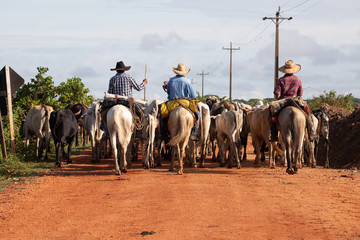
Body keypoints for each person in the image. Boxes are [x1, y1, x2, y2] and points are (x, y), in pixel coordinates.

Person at [270, 60, 316, 141]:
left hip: (283, 100)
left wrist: (277, 93)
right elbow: (300, 93)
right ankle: (311, 133)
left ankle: (274, 135)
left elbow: (276, 92)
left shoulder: (281, 80)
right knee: (307, 112)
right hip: (295, 100)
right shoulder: (298, 79)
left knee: (271, 112)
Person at [162, 63, 200, 141]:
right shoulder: (187, 81)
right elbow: (193, 95)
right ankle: (194, 134)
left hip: (172, 103)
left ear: (176, 71)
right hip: (186, 103)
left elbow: (169, 92)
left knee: (162, 116)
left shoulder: (171, 81)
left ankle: (164, 133)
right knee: (198, 115)